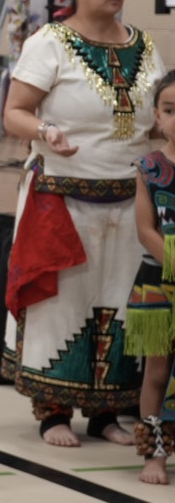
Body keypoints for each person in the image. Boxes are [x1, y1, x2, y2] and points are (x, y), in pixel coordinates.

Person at [2, 0, 163, 447]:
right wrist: (46, 131)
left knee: (120, 301)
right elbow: (15, 112)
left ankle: (107, 412)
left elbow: (155, 115)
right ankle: (52, 411)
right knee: (63, 303)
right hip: (61, 199)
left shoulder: (145, 44)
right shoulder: (49, 42)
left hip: (129, 198)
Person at [127, 70, 175, 484]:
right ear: (157, 117)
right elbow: (146, 229)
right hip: (159, 283)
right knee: (156, 372)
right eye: (170, 110)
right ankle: (154, 454)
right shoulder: (149, 167)